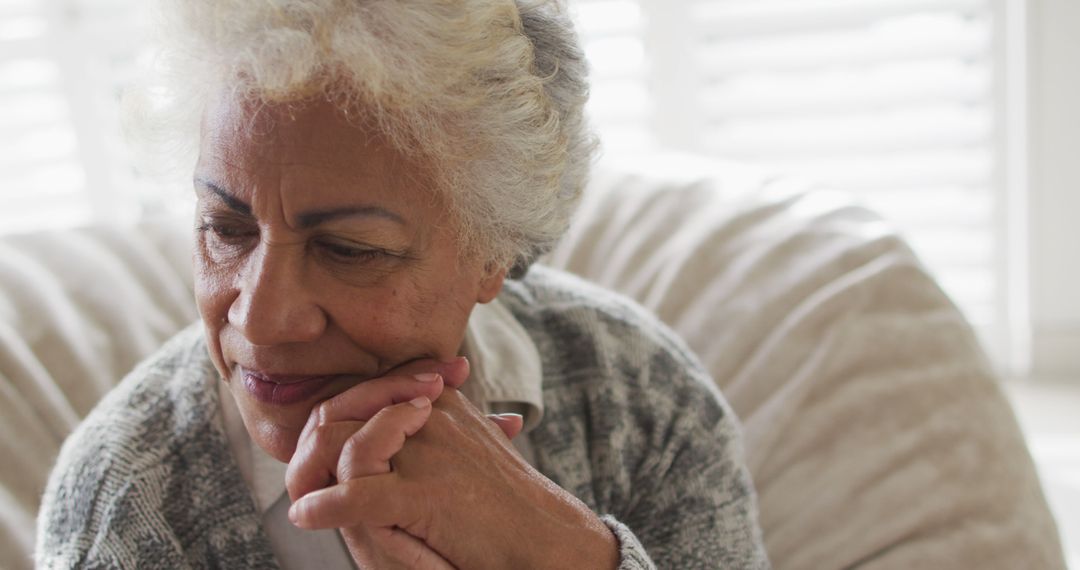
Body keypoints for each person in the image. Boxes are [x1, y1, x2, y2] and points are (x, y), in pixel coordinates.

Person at [36, 0, 770, 568]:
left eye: (350, 249)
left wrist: (563, 551)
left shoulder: (641, 399)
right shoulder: (123, 502)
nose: (260, 319)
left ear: (494, 253)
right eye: (227, 229)